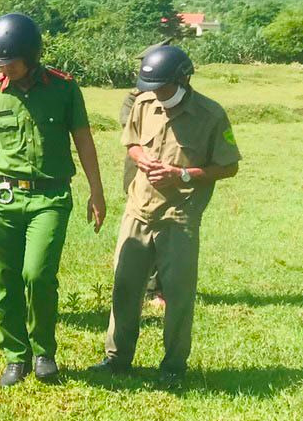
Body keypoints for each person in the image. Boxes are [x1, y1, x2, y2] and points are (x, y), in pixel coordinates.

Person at [0, 13, 106, 387]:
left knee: (38, 275)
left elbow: (84, 141)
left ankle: (44, 352)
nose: (4, 69)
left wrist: (97, 191)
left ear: (31, 55)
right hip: (5, 197)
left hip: (51, 196)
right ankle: (15, 356)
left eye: (11, 61)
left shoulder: (64, 89)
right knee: (4, 278)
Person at [92, 45, 239, 387]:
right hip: (138, 210)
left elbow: (229, 166)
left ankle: (173, 366)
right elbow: (131, 142)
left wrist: (182, 175)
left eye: (163, 88)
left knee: (178, 295)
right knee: (125, 287)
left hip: (180, 217)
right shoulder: (144, 103)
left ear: (183, 79)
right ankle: (117, 359)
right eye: (152, 88)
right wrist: (141, 158)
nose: (157, 94)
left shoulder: (211, 115)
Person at [120, 39, 174, 309]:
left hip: (172, 178)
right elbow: (133, 135)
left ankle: (159, 286)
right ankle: (150, 288)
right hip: (140, 176)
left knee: (166, 234)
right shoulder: (136, 99)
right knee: (143, 234)